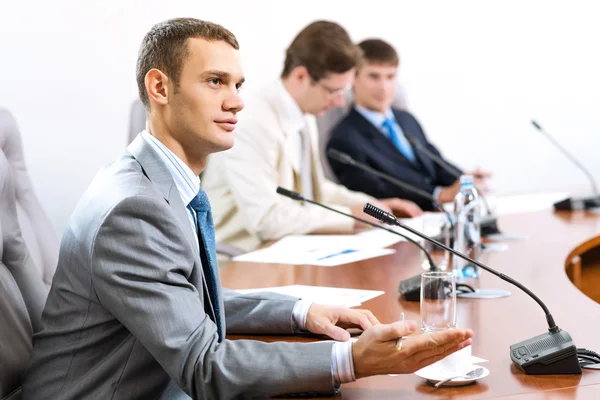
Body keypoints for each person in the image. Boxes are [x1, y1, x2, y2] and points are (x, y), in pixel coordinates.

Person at [22, 19, 472, 399]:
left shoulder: (153, 182)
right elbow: (205, 367)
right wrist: (350, 359)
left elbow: (189, 299)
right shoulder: (135, 210)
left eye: (238, 85)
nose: (237, 101)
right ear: (159, 87)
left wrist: (300, 311)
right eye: (215, 82)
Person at [202, 21, 423, 253]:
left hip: (288, 251)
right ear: (300, 77)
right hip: (242, 258)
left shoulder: (305, 114)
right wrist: (350, 217)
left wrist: (369, 206)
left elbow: (315, 189)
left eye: (343, 92)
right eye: (333, 91)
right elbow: (265, 219)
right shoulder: (253, 121)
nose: (340, 102)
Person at [327, 39, 490, 211]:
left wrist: (465, 179)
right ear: (353, 78)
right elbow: (376, 190)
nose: (383, 87)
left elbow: (435, 162)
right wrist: (439, 194)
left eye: (390, 77)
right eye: (374, 77)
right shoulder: (344, 139)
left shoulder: (406, 119)